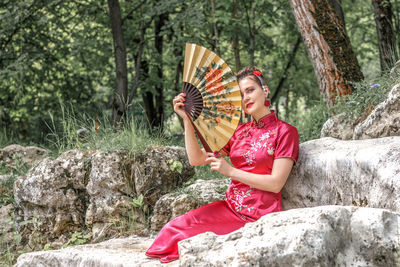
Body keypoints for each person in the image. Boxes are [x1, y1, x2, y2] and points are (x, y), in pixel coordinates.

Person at [145, 66, 299, 263]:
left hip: (258, 215)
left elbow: (276, 183)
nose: (246, 98)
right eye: (241, 95)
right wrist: (187, 120)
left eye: (250, 90)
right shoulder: (238, 132)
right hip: (230, 208)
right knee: (172, 229)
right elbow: (196, 159)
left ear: (265, 90)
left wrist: (230, 171)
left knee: (186, 240)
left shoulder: (285, 132)